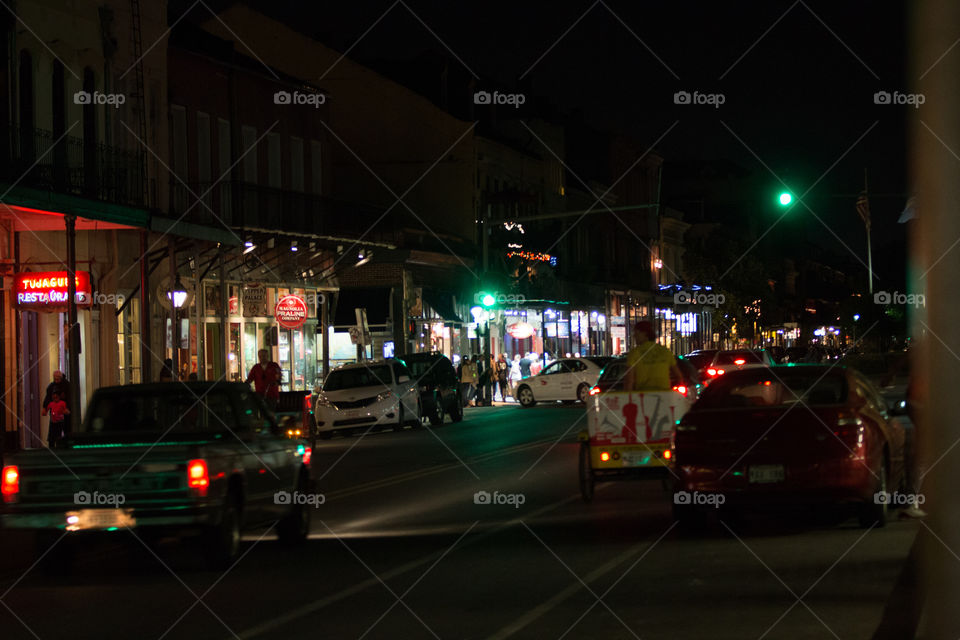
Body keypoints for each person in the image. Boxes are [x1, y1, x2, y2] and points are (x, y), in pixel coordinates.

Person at [623, 321, 681, 392]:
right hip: (664, 394)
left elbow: (629, 380)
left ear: (645, 334)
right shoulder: (665, 351)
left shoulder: (634, 353)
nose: (634, 336)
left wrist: (627, 396)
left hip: (644, 395)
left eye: (636, 333)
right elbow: (678, 376)